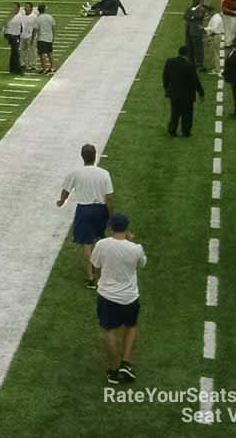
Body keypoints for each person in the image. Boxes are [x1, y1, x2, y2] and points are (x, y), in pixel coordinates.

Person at [92, 213, 145, 384]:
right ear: (126, 228)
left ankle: (113, 371)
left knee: (110, 332)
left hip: (107, 296)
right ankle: (126, 363)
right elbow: (141, 263)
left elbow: (96, 266)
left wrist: (99, 281)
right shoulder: (136, 248)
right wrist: (130, 242)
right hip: (129, 297)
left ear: (110, 227)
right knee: (131, 327)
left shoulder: (101, 244)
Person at [56, 144, 113, 288]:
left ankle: (91, 277)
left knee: (87, 244)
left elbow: (66, 190)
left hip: (84, 210)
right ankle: (102, 272)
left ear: (82, 156)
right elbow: (110, 197)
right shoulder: (104, 173)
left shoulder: (76, 173)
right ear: (95, 156)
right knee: (100, 239)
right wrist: (111, 214)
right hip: (100, 209)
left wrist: (62, 201)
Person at [161, 47, 204, 137]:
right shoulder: (190, 65)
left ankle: (172, 130)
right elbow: (195, 81)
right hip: (187, 95)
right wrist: (201, 92)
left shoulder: (170, 62)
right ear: (187, 54)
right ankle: (186, 131)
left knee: (175, 113)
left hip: (174, 93)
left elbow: (165, 75)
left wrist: (166, 87)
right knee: (187, 114)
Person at [1, 3, 23, 74]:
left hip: (16, 35)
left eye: (15, 7)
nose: (14, 9)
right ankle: (18, 69)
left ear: (19, 8)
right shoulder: (10, 16)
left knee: (14, 52)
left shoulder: (19, 15)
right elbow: (3, 25)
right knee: (16, 52)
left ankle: (12, 68)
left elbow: (22, 26)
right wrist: (4, 32)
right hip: (11, 35)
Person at [35, 4, 56, 74]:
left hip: (41, 38)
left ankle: (44, 68)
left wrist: (34, 39)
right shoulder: (50, 17)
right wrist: (53, 36)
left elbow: (36, 30)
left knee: (41, 54)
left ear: (38, 10)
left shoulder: (38, 18)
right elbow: (53, 28)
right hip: (49, 37)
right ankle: (52, 67)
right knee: (50, 53)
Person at [18, 2, 38, 72]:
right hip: (23, 36)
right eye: (25, 7)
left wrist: (33, 38)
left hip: (30, 36)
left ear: (31, 8)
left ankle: (33, 65)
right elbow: (20, 26)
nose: (26, 8)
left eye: (27, 7)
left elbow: (35, 28)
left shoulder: (34, 16)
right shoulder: (22, 16)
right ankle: (23, 63)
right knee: (22, 50)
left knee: (32, 51)